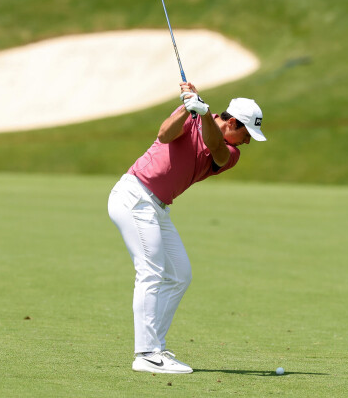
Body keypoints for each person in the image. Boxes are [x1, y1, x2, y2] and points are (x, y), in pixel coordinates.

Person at [107, 83, 266, 374]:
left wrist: (202, 113)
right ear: (231, 122)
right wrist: (186, 107)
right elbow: (164, 134)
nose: (247, 141)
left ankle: (156, 347)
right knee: (151, 271)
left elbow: (216, 147)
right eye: (247, 134)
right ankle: (145, 354)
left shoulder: (230, 152)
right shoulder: (191, 117)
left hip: (157, 207)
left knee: (180, 275)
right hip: (134, 196)